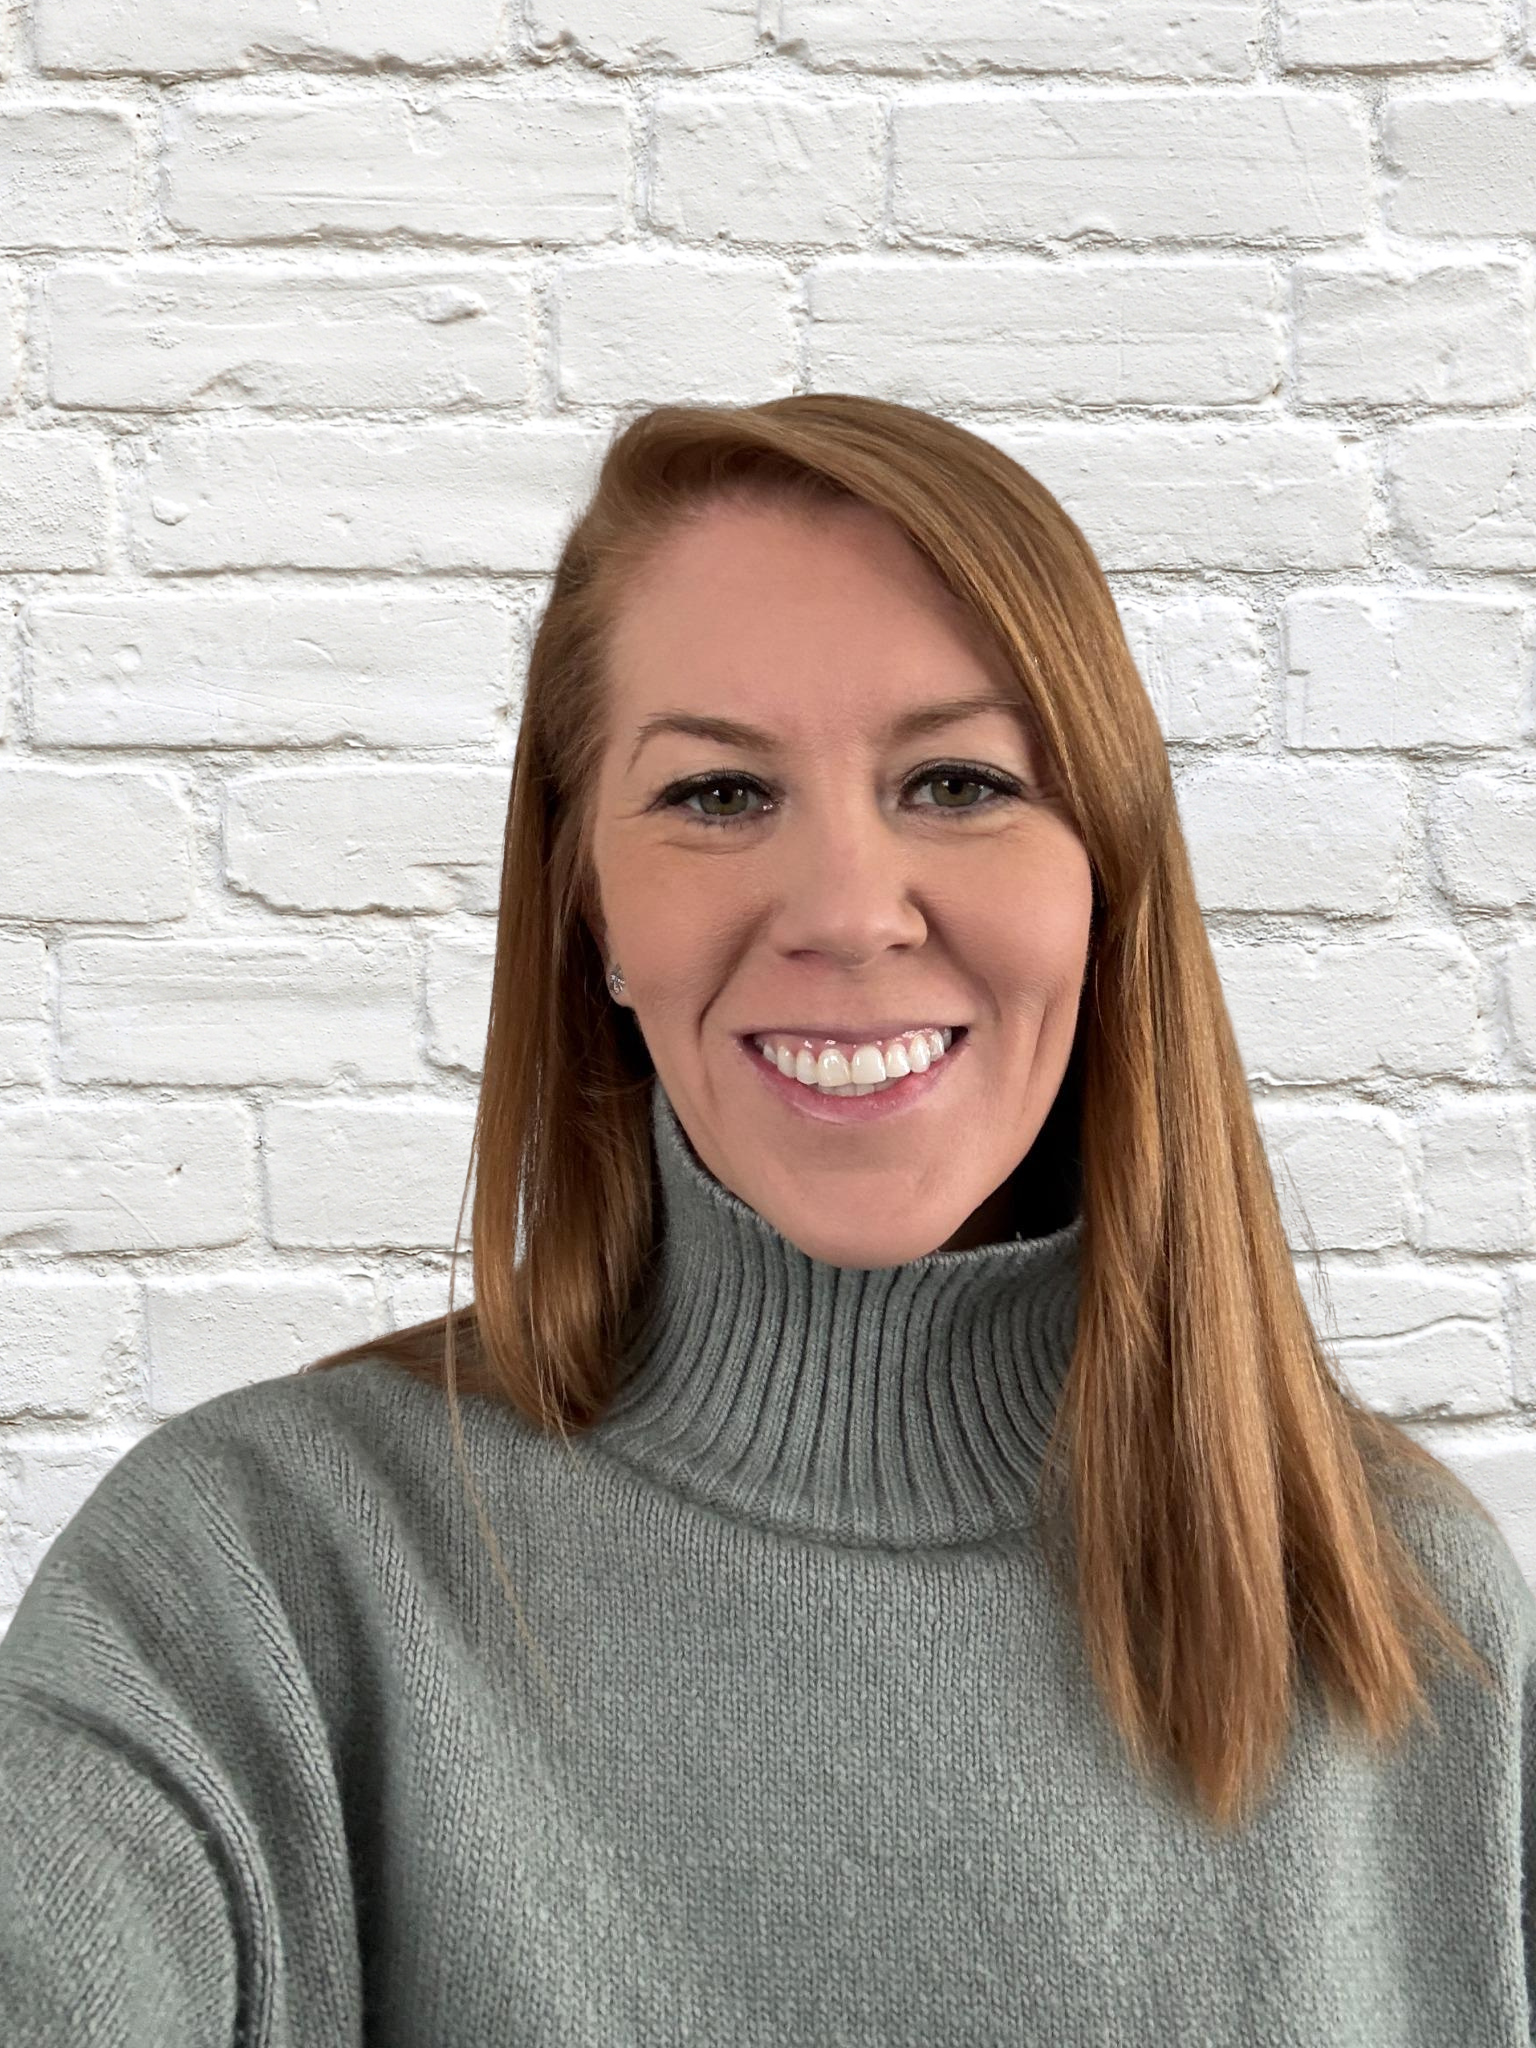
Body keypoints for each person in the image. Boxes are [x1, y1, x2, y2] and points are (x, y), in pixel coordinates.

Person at [1, 394, 1532, 2046]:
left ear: (1108, 878)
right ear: (588, 899)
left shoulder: (1405, 1610)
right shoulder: (253, 1593)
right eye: (720, 797)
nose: (849, 914)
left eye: (957, 780)